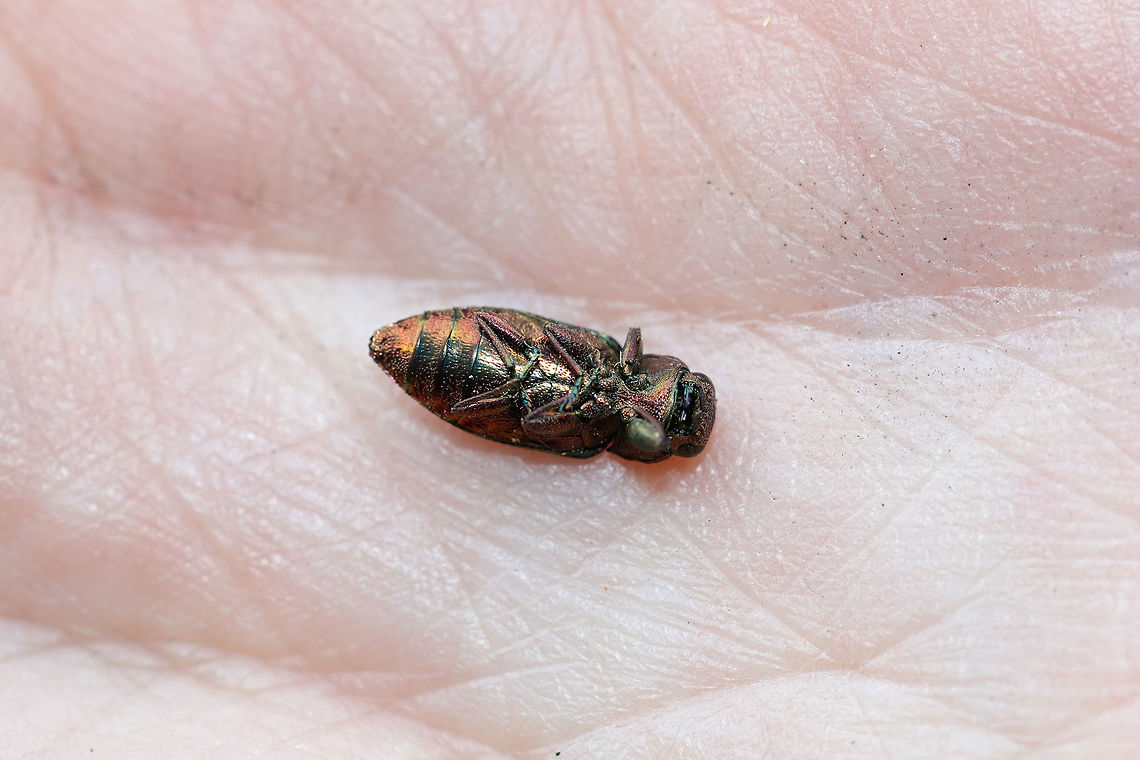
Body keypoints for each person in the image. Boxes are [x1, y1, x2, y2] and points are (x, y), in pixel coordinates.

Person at [1, 2, 1136, 755]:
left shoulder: (595, 417)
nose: (663, 404)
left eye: (663, 414)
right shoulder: (603, 393)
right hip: (487, 362)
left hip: (495, 372)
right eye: (670, 398)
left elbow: (563, 409)